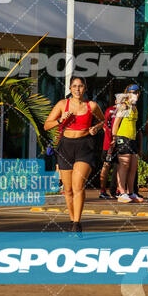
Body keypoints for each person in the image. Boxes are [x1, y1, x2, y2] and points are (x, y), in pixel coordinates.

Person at [44, 76, 104, 233]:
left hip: (85, 146)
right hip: (65, 147)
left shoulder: (92, 105)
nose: (78, 89)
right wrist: (60, 120)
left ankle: (77, 223)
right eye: (75, 86)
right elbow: (46, 125)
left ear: (85, 88)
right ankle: (72, 220)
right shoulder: (62, 105)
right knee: (68, 189)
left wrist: (96, 128)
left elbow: (103, 121)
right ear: (70, 88)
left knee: (78, 185)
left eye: (81, 86)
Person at [111, 84, 143, 203]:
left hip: (132, 139)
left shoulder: (135, 108)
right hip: (122, 137)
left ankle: (131, 192)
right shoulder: (124, 106)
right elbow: (116, 124)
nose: (137, 94)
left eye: (138, 92)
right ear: (128, 93)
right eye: (134, 92)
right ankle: (122, 192)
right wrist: (114, 138)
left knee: (133, 167)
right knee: (124, 165)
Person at [99, 103, 118, 199]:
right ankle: (102, 191)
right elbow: (104, 125)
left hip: (120, 144)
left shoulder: (125, 110)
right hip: (108, 144)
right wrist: (110, 139)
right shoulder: (110, 110)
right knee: (106, 165)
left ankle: (117, 191)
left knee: (119, 167)